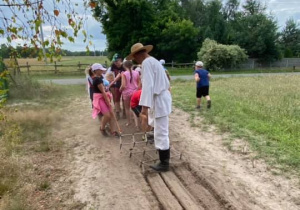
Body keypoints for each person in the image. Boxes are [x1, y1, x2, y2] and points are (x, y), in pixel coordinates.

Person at [126, 43, 172, 172]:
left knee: (161, 132)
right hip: (161, 98)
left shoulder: (146, 63)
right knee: (158, 127)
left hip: (159, 100)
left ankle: (164, 163)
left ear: (138, 54)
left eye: (135, 58)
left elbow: (148, 86)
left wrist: (144, 109)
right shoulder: (154, 61)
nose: (135, 61)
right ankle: (159, 148)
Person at [91, 63, 119, 137]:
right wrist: (108, 101)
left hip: (105, 96)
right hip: (100, 98)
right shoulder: (97, 79)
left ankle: (113, 131)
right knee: (107, 115)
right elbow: (103, 92)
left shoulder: (100, 77)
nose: (102, 71)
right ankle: (102, 128)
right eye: (100, 70)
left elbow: (105, 89)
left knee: (111, 114)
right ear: (96, 70)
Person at [120, 60, 140, 126]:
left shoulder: (124, 74)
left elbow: (123, 85)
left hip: (127, 92)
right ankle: (137, 124)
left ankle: (129, 122)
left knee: (127, 108)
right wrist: (137, 89)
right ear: (132, 65)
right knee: (135, 107)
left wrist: (120, 89)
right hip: (135, 92)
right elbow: (139, 83)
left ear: (124, 66)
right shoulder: (136, 72)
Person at [106, 53, 125, 119]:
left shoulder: (124, 67)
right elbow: (108, 77)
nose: (115, 62)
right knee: (116, 99)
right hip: (115, 85)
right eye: (114, 61)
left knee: (124, 99)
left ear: (121, 60)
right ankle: (117, 112)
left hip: (124, 85)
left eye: (117, 61)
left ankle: (125, 112)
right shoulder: (112, 68)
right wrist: (110, 84)